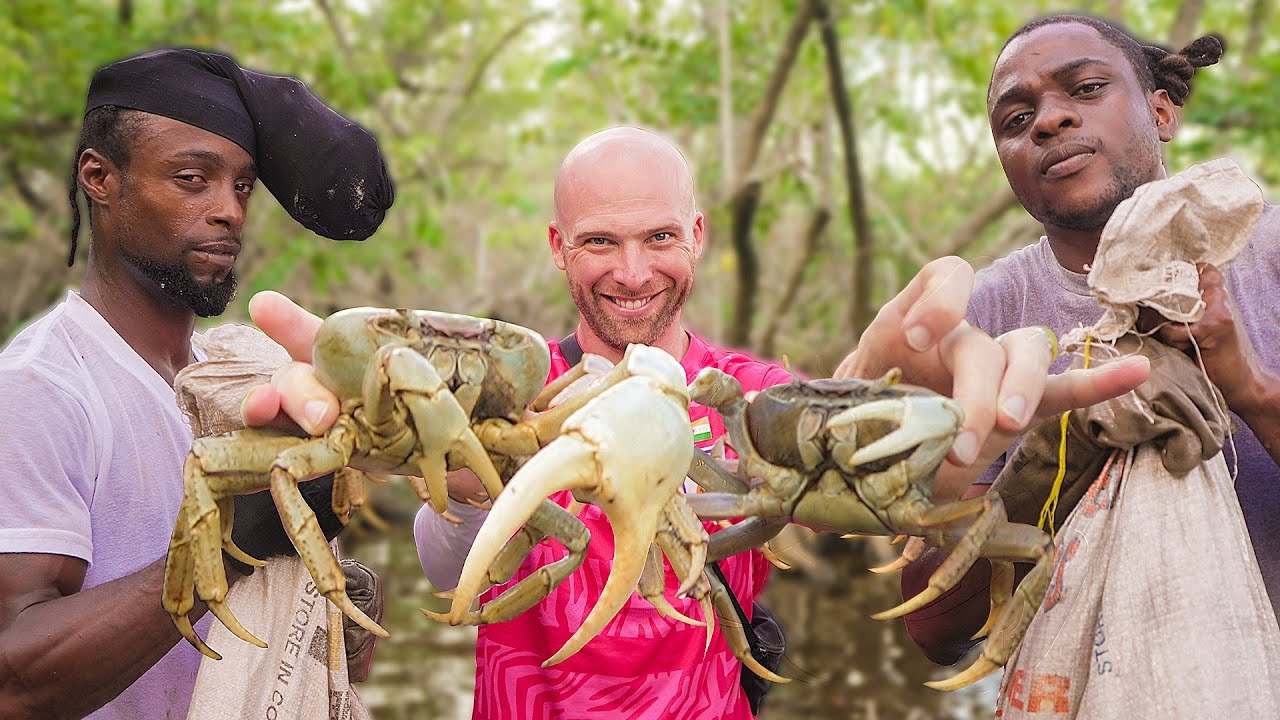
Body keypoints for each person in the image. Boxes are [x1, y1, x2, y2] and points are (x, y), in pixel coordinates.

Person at [242, 126, 1148, 718]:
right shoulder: (509, 392)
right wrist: (467, 478)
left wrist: (967, 461)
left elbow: (879, 507)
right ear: (560, 248)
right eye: (601, 241)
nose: (633, 271)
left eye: (659, 238)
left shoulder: (755, 395)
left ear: (700, 236)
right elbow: (454, 582)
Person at [0, 48, 393, 719]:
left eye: (241, 186)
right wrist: (226, 549)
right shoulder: (43, 388)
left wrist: (329, 601)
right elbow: (14, 674)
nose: (229, 212)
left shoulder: (233, 380)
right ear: (100, 178)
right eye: (191, 179)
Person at [901, 14, 1280, 665]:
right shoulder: (985, 315)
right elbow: (934, 632)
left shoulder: (1267, 249)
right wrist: (1038, 459)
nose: (1048, 121)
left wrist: (1248, 389)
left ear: (1162, 111)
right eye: (1015, 121)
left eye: (1085, 89)